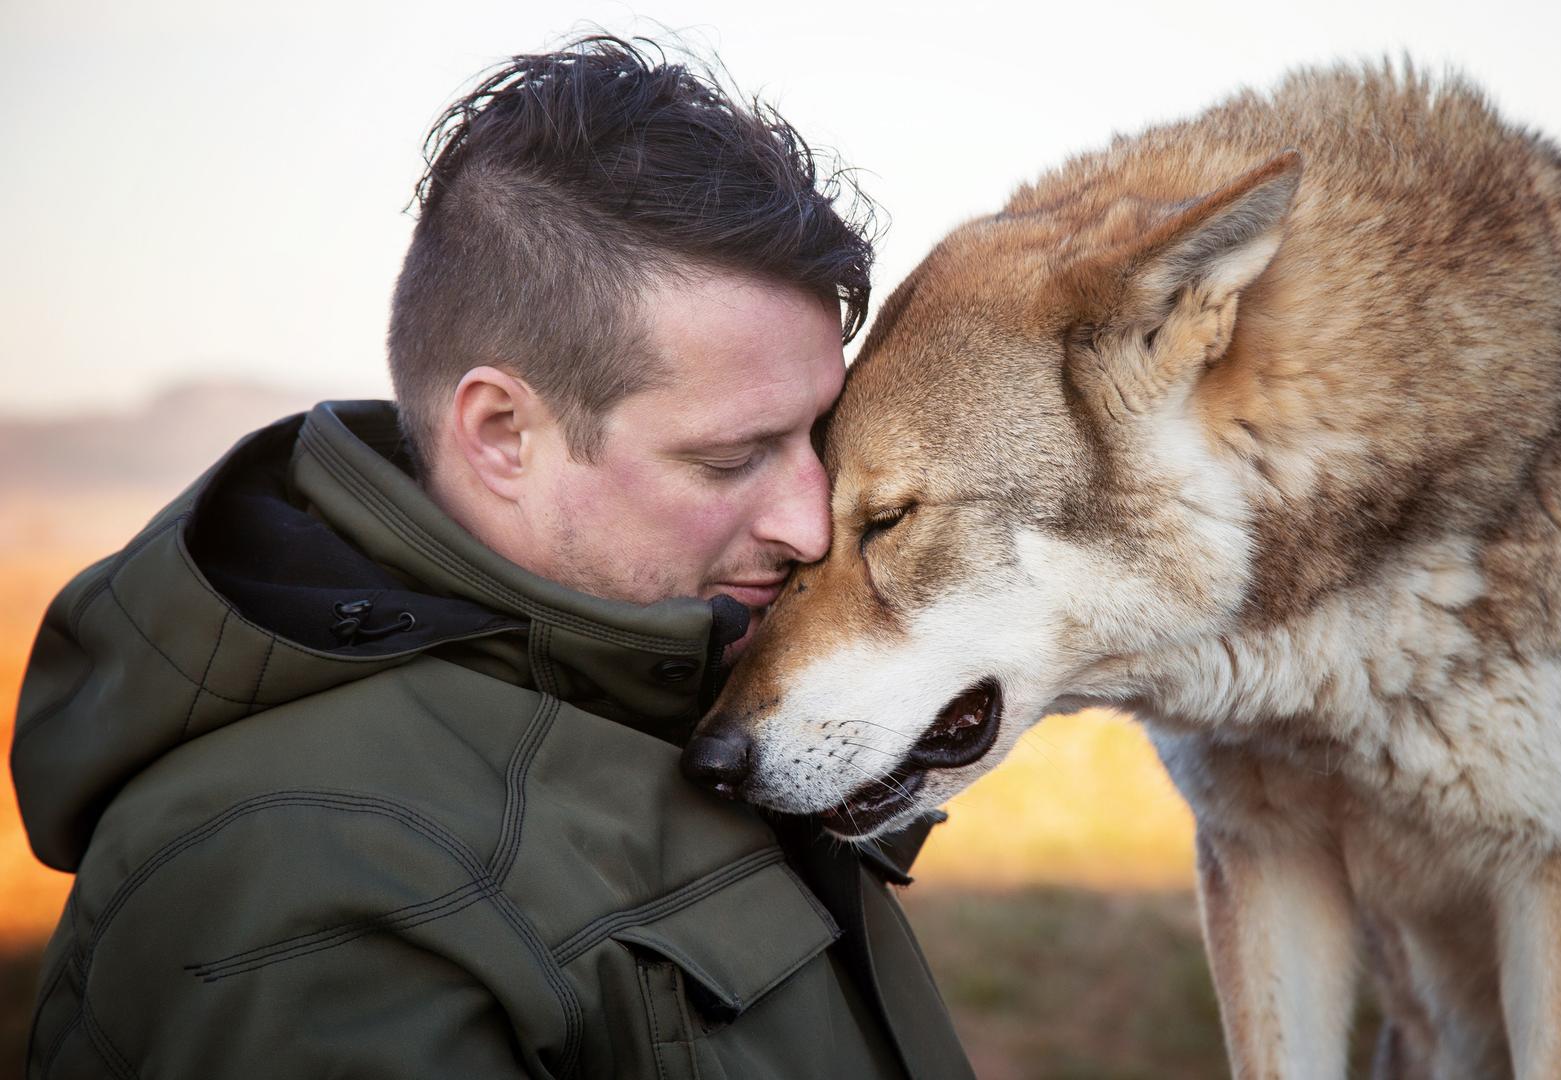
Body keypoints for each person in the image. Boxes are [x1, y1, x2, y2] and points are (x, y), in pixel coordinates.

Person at [11, 35, 973, 1079]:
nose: (812, 524)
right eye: (732, 457)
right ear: (503, 432)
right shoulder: (304, 890)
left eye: (816, 444)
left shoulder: (665, 694)